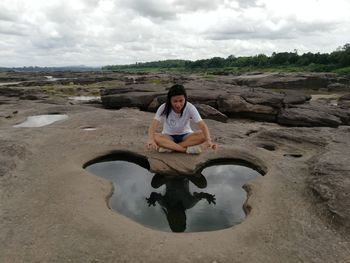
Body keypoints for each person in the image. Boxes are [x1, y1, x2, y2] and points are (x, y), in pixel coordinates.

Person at [145, 84, 217, 154]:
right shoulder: (164, 107)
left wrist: (208, 140)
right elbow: (154, 122)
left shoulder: (190, 107)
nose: (178, 104)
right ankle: (184, 150)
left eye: (181, 101)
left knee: (203, 134)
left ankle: (170, 147)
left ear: (185, 98)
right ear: (170, 100)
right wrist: (151, 139)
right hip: (168, 136)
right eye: (175, 101)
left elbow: (202, 124)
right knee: (154, 136)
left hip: (186, 136)